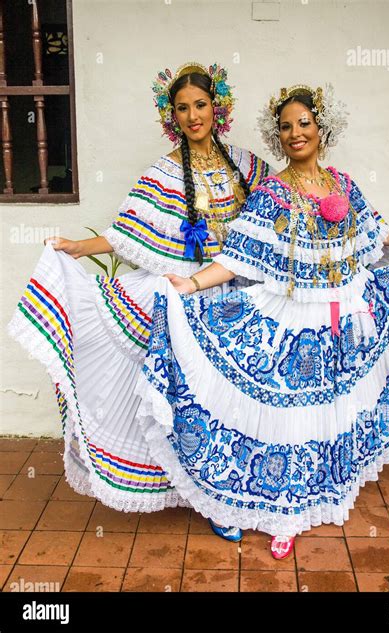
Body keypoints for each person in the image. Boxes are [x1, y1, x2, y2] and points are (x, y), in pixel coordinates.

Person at [133, 83, 389, 559]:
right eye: (286, 127)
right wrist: (188, 285)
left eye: (304, 123)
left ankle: (311, 499)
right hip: (294, 324)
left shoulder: (344, 186)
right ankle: (283, 513)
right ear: (278, 136)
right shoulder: (273, 192)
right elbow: (238, 257)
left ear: (321, 128)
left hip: (344, 321)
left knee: (322, 418)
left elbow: (370, 235)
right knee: (289, 423)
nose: (295, 133)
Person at [7, 62, 272, 519]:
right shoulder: (163, 174)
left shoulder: (248, 166)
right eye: (182, 109)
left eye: (201, 105)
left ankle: (236, 491)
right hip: (189, 297)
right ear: (172, 117)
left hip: (243, 299)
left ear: (218, 107)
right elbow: (124, 233)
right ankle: (198, 491)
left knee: (236, 400)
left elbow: (282, 213)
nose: (193, 116)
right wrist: (76, 247)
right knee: (192, 402)